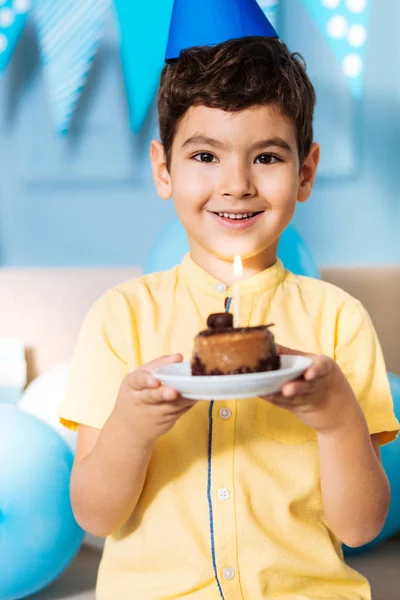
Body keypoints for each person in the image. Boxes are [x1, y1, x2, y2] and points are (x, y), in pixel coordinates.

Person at [59, 2, 399, 599]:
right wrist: (130, 430)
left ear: (306, 171)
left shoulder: (338, 320)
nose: (237, 182)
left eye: (267, 156)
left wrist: (339, 418)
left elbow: (361, 527)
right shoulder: (121, 317)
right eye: (205, 155)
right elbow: (95, 517)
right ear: (164, 169)